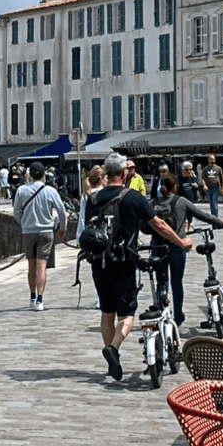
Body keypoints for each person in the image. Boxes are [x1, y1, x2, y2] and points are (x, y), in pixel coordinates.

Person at [85, 153, 191, 380]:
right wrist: (180, 242)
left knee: (107, 312)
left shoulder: (92, 200)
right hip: (123, 263)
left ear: (106, 174)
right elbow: (159, 224)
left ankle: (112, 360)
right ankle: (112, 348)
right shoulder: (133, 197)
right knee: (127, 316)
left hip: (98, 263)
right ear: (124, 174)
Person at [152, 173, 223, 325]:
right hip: (177, 246)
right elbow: (204, 216)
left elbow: (144, 226)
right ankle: (178, 315)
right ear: (175, 186)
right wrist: (222, 223)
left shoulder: (152, 203)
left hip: (158, 246)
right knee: (177, 282)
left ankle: (161, 315)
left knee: (161, 283)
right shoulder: (181, 201)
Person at [13, 161, 67, 312]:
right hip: (45, 231)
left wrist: (24, 222)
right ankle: (40, 301)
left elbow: (16, 212)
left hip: (28, 231)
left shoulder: (21, 190)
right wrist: (62, 228)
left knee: (31, 266)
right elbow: (61, 211)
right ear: (44, 175)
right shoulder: (50, 191)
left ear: (30, 175)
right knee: (42, 266)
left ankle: (32, 297)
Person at [77, 165, 106, 241]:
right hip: (105, 234)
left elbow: (82, 217)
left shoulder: (86, 194)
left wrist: (79, 236)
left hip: (91, 234)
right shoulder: (106, 194)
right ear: (101, 179)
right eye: (106, 177)